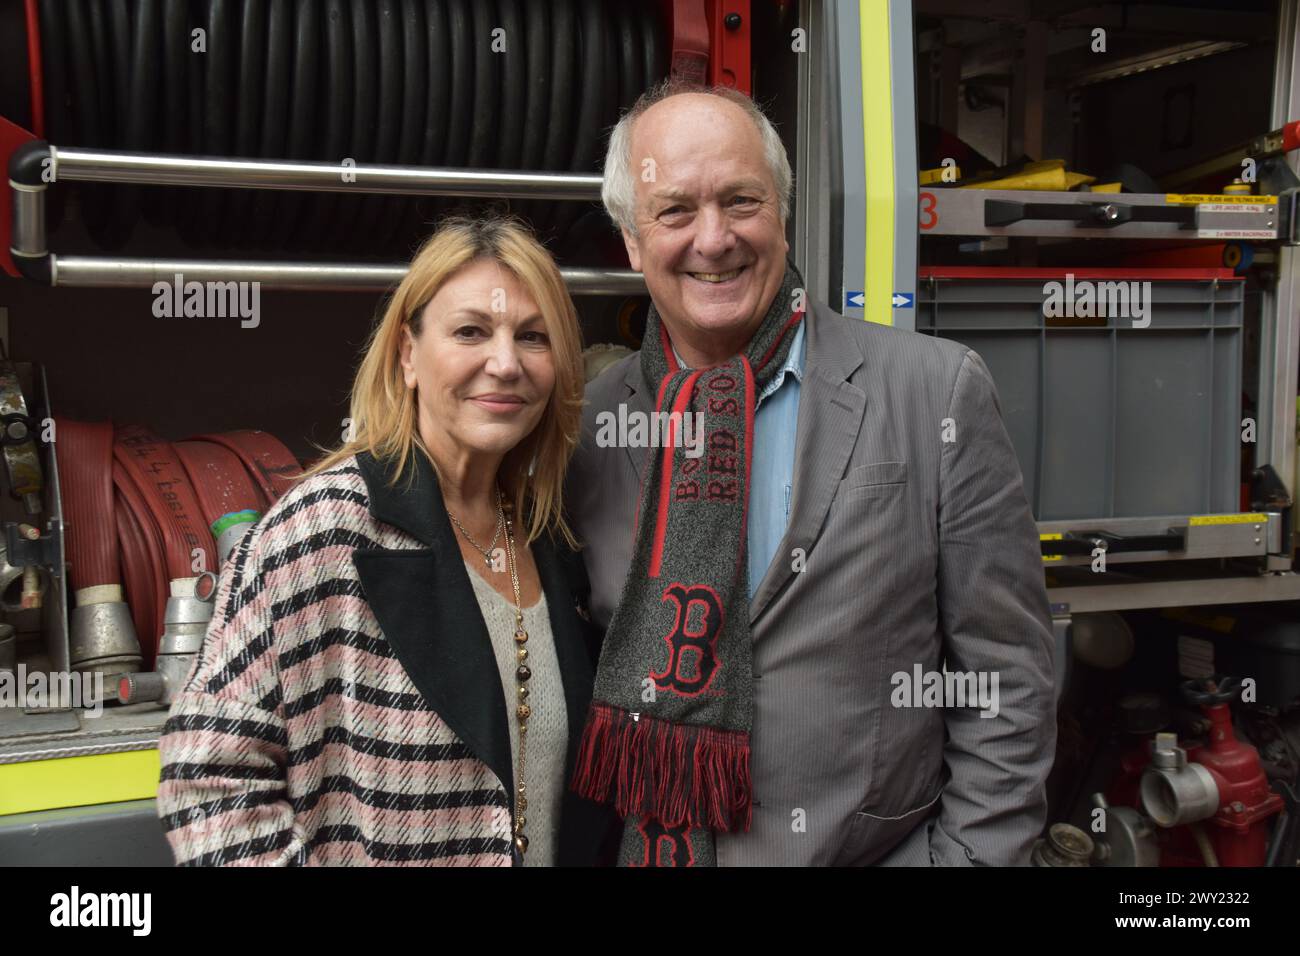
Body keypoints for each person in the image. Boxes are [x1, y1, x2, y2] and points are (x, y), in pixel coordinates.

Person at [566, 81, 1057, 867]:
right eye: (675, 211)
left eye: (741, 200)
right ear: (631, 239)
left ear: (783, 215)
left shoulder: (935, 391)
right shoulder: (586, 428)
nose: (714, 238)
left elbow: (1005, 679)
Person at [157, 216, 611, 866]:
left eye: (533, 337)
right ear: (407, 356)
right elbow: (205, 776)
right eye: (471, 331)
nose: (506, 363)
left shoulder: (547, 535)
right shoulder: (324, 529)